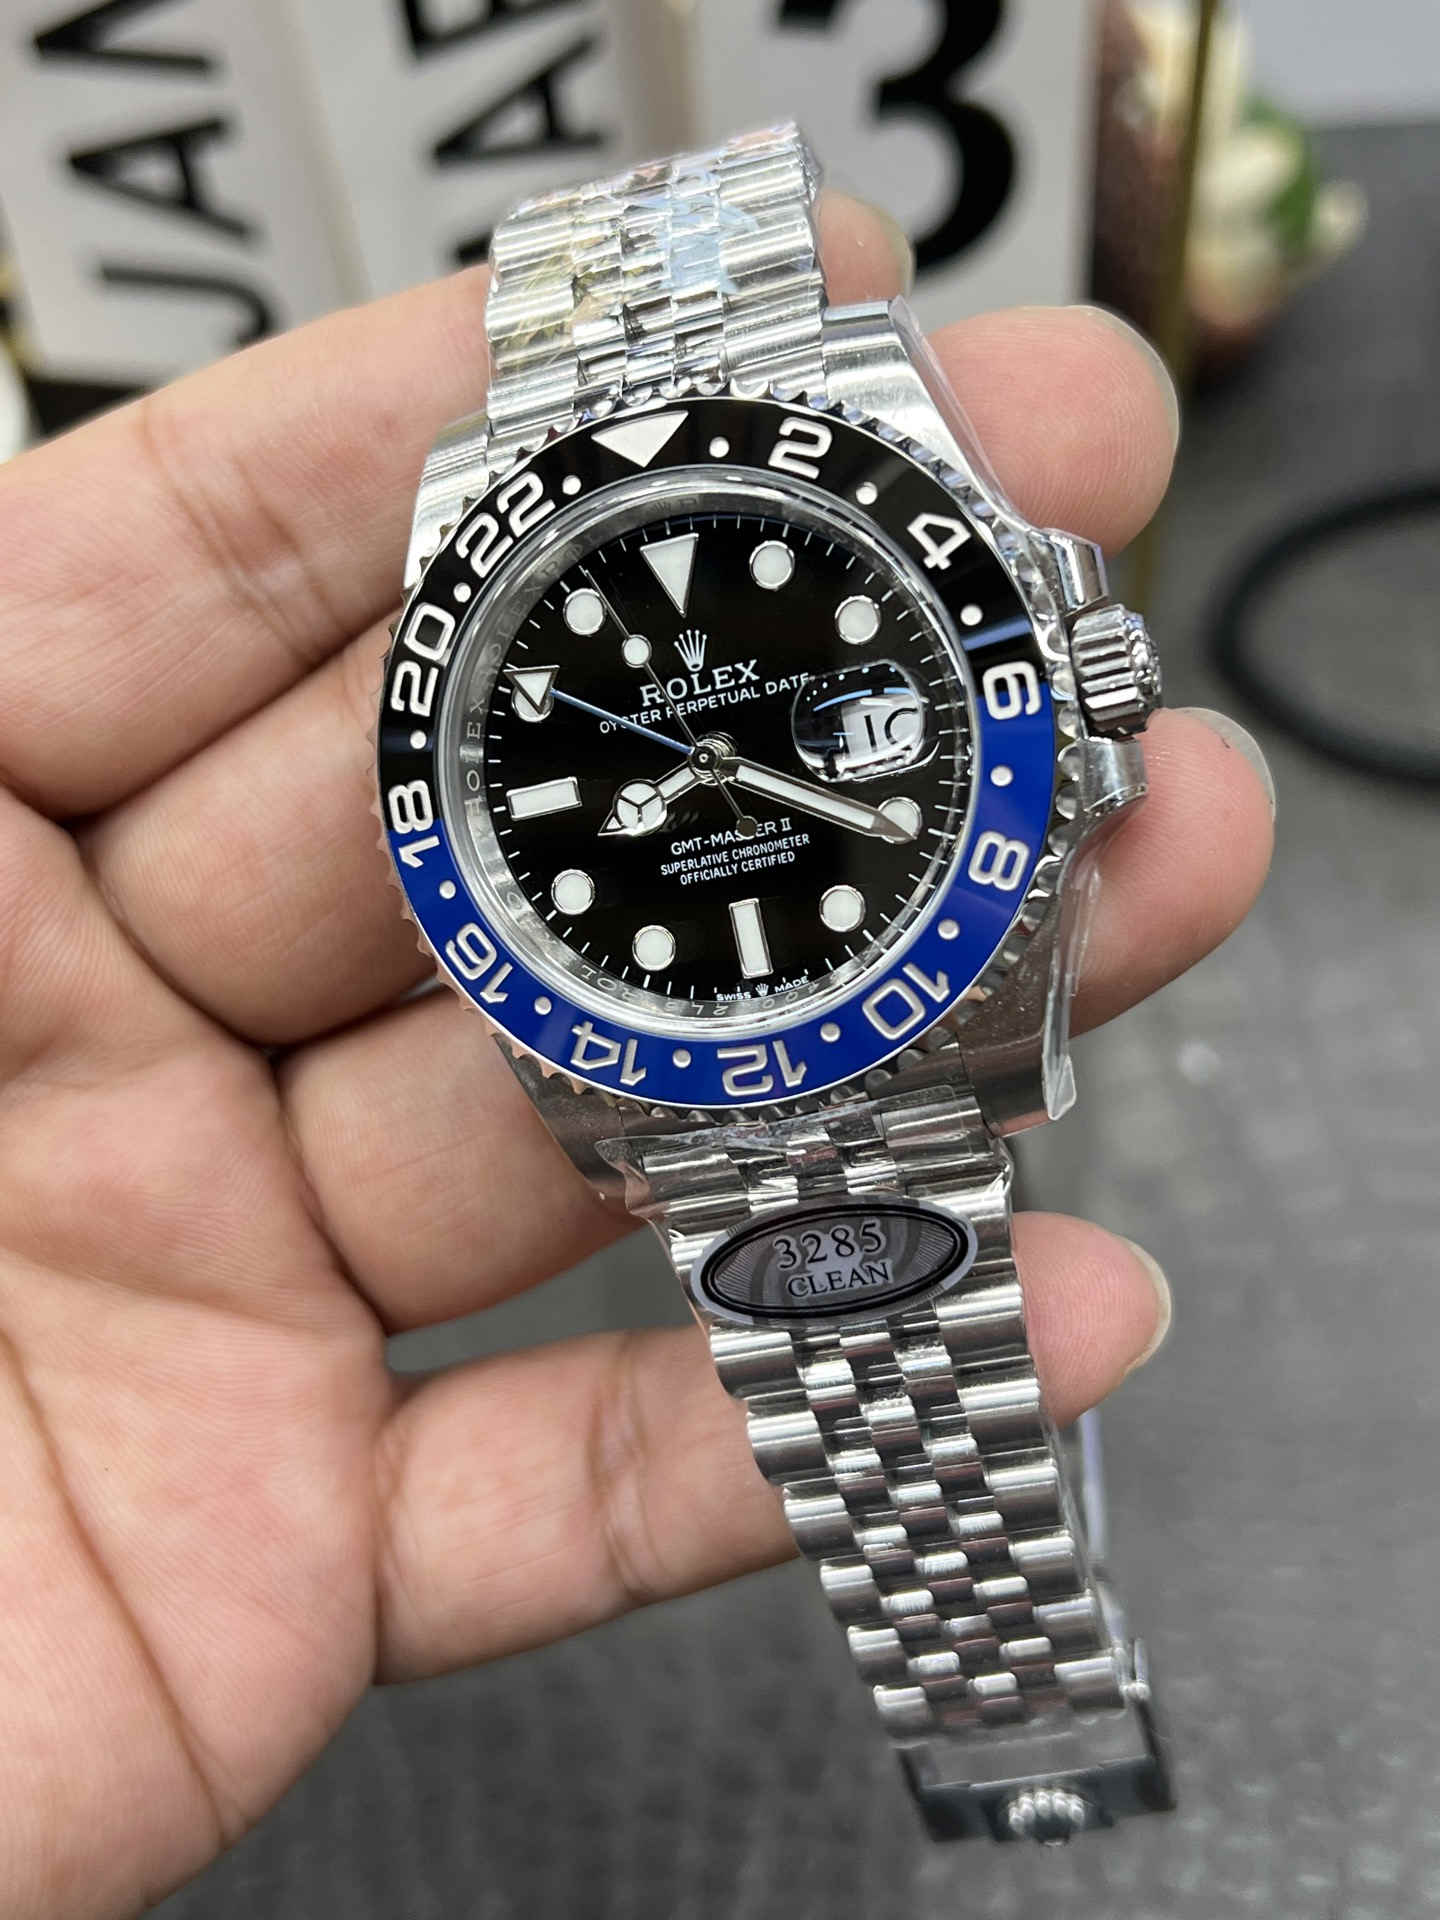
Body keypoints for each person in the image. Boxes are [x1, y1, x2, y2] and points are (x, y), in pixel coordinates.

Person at [0, 195, 1273, 1918]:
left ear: (1073, 668)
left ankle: (1030, 1715)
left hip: (859, 1019)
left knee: (994, 1359)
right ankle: (1016, 1718)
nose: (715, 772)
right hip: (689, 1082)